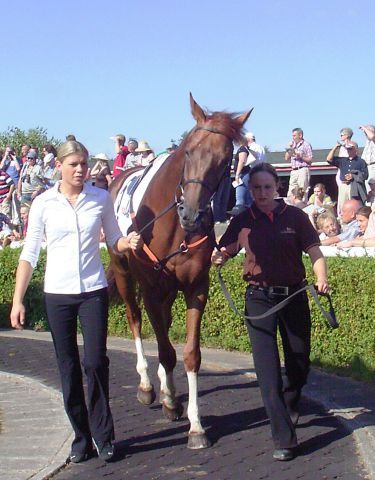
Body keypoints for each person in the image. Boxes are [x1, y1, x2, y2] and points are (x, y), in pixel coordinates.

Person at [10, 140, 143, 464]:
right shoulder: (43, 203)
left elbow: (113, 238)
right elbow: (29, 254)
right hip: (58, 295)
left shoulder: (100, 199)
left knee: (96, 362)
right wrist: (18, 301)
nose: (81, 169)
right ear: (59, 166)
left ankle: (104, 436)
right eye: (74, 164)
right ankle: (81, 438)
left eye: (84, 164)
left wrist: (127, 242)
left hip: (93, 292)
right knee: (68, 367)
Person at [211, 162, 329, 462]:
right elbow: (225, 251)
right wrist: (219, 257)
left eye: (267, 187)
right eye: (256, 188)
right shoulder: (242, 221)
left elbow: (315, 251)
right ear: (249, 190)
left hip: (294, 296)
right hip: (259, 299)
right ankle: (284, 438)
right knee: (267, 370)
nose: (262, 193)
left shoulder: (296, 216)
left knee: (299, 362)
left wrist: (321, 277)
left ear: (277, 187)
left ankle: (290, 402)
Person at [230, 132, 267, 215]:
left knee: (241, 197)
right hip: (258, 173)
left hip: (247, 174)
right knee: (249, 197)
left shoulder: (245, 148)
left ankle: (240, 216)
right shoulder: (260, 147)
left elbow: (242, 161)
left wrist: (237, 174)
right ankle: (253, 215)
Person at [327, 141, 368, 212]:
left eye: (350, 149)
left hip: (354, 186)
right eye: (347, 149)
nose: (348, 150)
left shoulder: (361, 161)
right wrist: (335, 148)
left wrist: (353, 176)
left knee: (355, 206)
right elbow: (329, 159)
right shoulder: (343, 160)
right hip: (343, 186)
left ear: (356, 149)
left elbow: (365, 175)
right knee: (343, 206)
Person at [285, 128, 313, 202]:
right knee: (291, 191)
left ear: (300, 135)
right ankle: (290, 209)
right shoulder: (292, 145)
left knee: (302, 191)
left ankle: (302, 210)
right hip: (293, 170)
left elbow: (310, 160)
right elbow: (286, 158)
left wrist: (301, 156)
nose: (293, 137)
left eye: (294, 135)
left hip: (302, 169)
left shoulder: (306, 145)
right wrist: (290, 148)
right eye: (292, 136)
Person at [359, 124, 375, 191]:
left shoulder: (373, 140)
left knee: (372, 189)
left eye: (366, 132)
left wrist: (364, 128)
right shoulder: (367, 142)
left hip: (372, 167)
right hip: (366, 167)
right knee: (367, 190)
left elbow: (372, 136)